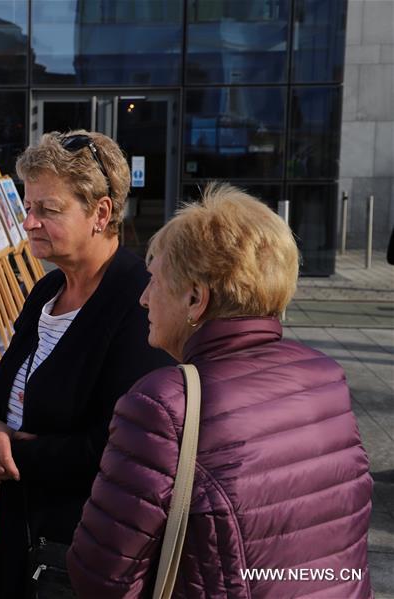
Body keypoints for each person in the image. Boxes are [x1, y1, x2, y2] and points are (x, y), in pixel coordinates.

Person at [67, 183, 373, 597]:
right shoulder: (324, 376)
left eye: (154, 281)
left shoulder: (164, 403)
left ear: (196, 299)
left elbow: (101, 574)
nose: (142, 298)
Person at [0, 130, 173, 597]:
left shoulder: (138, 300)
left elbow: (117, 445)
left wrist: (1, 458)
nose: (29, 222)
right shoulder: (46, 291)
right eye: (28, 206)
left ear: (101, 213)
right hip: (13, 523)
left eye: (48, 210)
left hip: (73, 549)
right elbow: (1, 389)